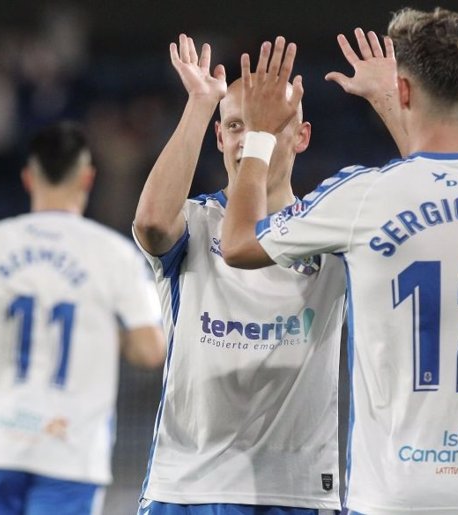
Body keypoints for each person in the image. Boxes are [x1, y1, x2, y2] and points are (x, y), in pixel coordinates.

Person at [221, 9, 458, 515]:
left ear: (402, 90)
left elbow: (239, 244)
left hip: (395, 495)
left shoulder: (362, 197)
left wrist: (261, 137)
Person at [132, 34, 347, 514]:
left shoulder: (331, 231)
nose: (252, 141)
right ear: (219, 137)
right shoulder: (195, 220)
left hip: (298, 490)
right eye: (235, 126)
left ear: (302, 136)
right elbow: (149, 223)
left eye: (271, 126)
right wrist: (200, 102)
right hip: (189, 487)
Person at [0, 121, 166, 515]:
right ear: (87, 178)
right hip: (71, 443)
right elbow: (149, 350)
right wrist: (107, 334)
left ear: (28, 177)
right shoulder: (114, 254)